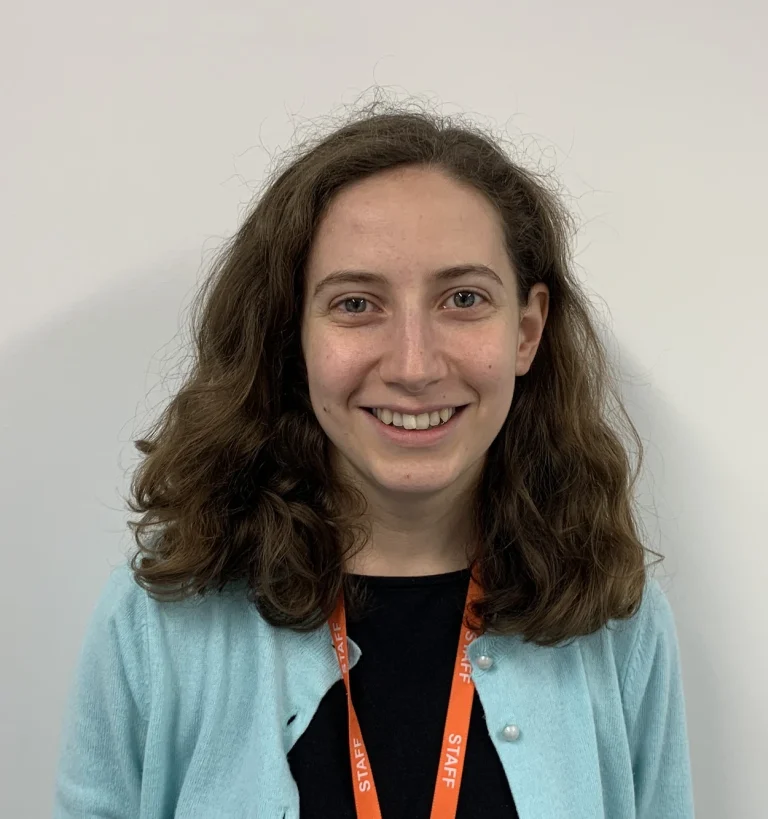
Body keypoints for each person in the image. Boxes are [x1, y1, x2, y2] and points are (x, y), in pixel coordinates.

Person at [52, 100, 695, 818]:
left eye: (462, 297)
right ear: (289, 334)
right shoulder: (158, 623)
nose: (414, 365)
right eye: (357, 304)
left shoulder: (616, 622)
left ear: (527, 329)